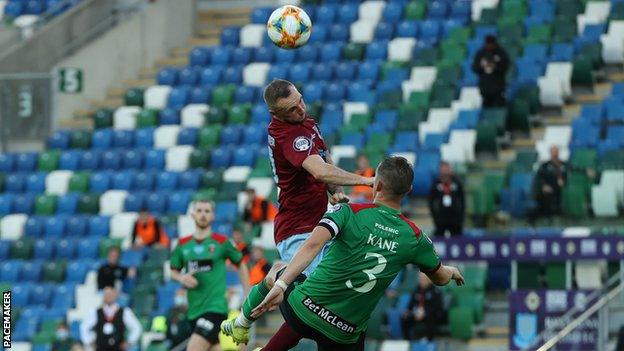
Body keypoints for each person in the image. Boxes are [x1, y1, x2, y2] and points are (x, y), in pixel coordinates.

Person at [223, 157, 464, 349]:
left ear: (376, 184)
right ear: (409, 190)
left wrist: (281, 286)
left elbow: (311, 246)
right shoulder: (414, 236)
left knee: (278, 268)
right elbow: (440, 278)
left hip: (305, 309)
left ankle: (242, 324)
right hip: (344, 333)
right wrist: (451, 271)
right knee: (348, 325)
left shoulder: (348, 212)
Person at [220, 79, 375, 340]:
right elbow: (318, 169)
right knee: (321, 304)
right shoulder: (287, 134)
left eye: (300, 100)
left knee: (326, 296)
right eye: (291, 109)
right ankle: (268, 295)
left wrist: (335, 191)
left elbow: (324, 157)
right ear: (275, 114)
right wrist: (366, 180)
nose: (300, 109)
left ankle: (251, 310)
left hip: (321, 221)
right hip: (298, 228)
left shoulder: (307, 122)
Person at [170, 199, 250, 351]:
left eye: (207, 211)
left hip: (215, 307)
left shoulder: (222, 242)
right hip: (194, 309)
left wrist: (247, 293)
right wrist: (182, 278)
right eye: (199, 211)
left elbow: (241, 264)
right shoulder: (183, 244)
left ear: (213, 216)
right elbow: (173, 270)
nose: (203, 215)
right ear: (193, 215)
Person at [80, 287, 143, 351]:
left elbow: (137, 327)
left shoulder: (125, 312)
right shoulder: (95, 312)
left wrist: (129, 342)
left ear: (115, 296)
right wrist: (89, 341)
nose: (108, 297)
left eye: (111, 294)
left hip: (118, 348)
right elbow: (84, 327)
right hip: (100, 348)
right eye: (106, 294)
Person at [401, 273, 445, 341]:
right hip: (416, 314)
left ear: (429, 280)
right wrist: (408, 311)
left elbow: (437, 308)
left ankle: (429, 340)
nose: (422, 280)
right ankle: (407, 341)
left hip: (430, 315)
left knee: (431, 316)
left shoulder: (435, 291)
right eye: (421, 279)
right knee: (405, 317)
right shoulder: (416, 290)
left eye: (424, 279)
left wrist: (424, 313)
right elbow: (410, 305)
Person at [428, 162, 465, 237]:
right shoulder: (435, 184)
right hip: (440, 220)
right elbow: (431, 202)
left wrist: (460, 218)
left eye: (446, 170)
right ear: (440, 171)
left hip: (455, 220)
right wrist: (435, 217)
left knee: (458, 241)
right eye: (443, 170)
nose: (445, 173)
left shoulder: (457, 183)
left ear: (450, 171)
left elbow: (462, 201)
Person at [472, 35, 510, 107]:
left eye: (491, 44)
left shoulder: (501, 53)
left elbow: (505, 66)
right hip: (484, 86)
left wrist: (494, 68)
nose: (489, 46)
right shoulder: (481, 54)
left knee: (498, 106)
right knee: (486, 106)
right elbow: (475, 67)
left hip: (498, 85)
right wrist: (483, 68)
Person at [532, 146, 568, 220]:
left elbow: (573, 170)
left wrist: (585, 171)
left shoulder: (564, 164)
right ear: (550, 153)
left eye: (556, 152)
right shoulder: (545, 165)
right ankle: (546, 217)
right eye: (553, 152)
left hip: (562, 188)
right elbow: (539, 177)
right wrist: (543, 185)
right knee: (546, 194)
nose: (555, 154)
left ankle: (560, 216)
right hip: (548, 188)